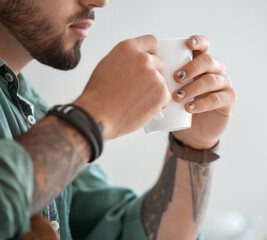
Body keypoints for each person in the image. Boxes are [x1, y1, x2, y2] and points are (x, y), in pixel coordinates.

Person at [0, 0, 237, 239]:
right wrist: (93, 114)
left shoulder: (28, 109)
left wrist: (193, 148)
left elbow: (132, 233)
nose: (100, 2)